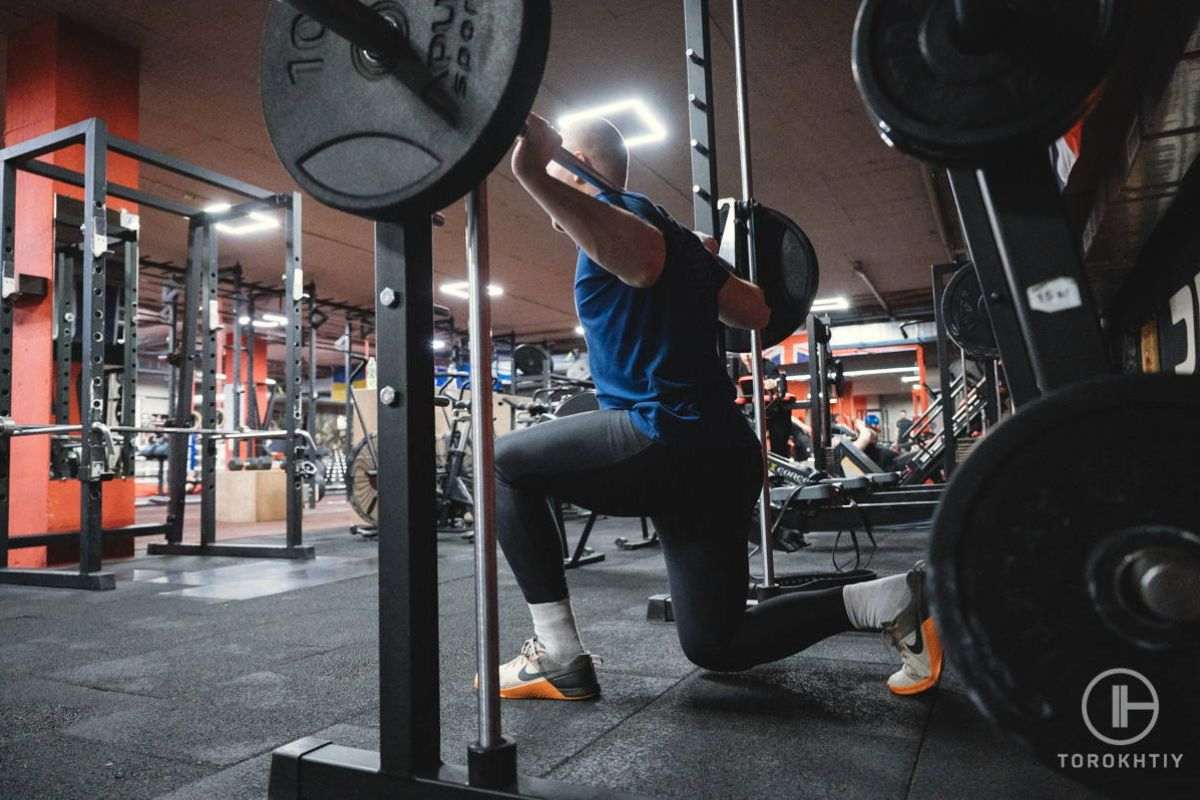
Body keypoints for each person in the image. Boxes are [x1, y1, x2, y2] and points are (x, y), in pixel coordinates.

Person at [489, 112, 941, 702]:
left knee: (503, 465)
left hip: (666, 435)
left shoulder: (631, 223)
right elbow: (755, 311)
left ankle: (557, 653)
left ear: (581, 172)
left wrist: (531, 171)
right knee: (717, 643)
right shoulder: (679, 241)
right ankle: (892, 599)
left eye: (561, 171)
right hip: (722, 453)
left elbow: (642, 262)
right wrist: (701, 269)